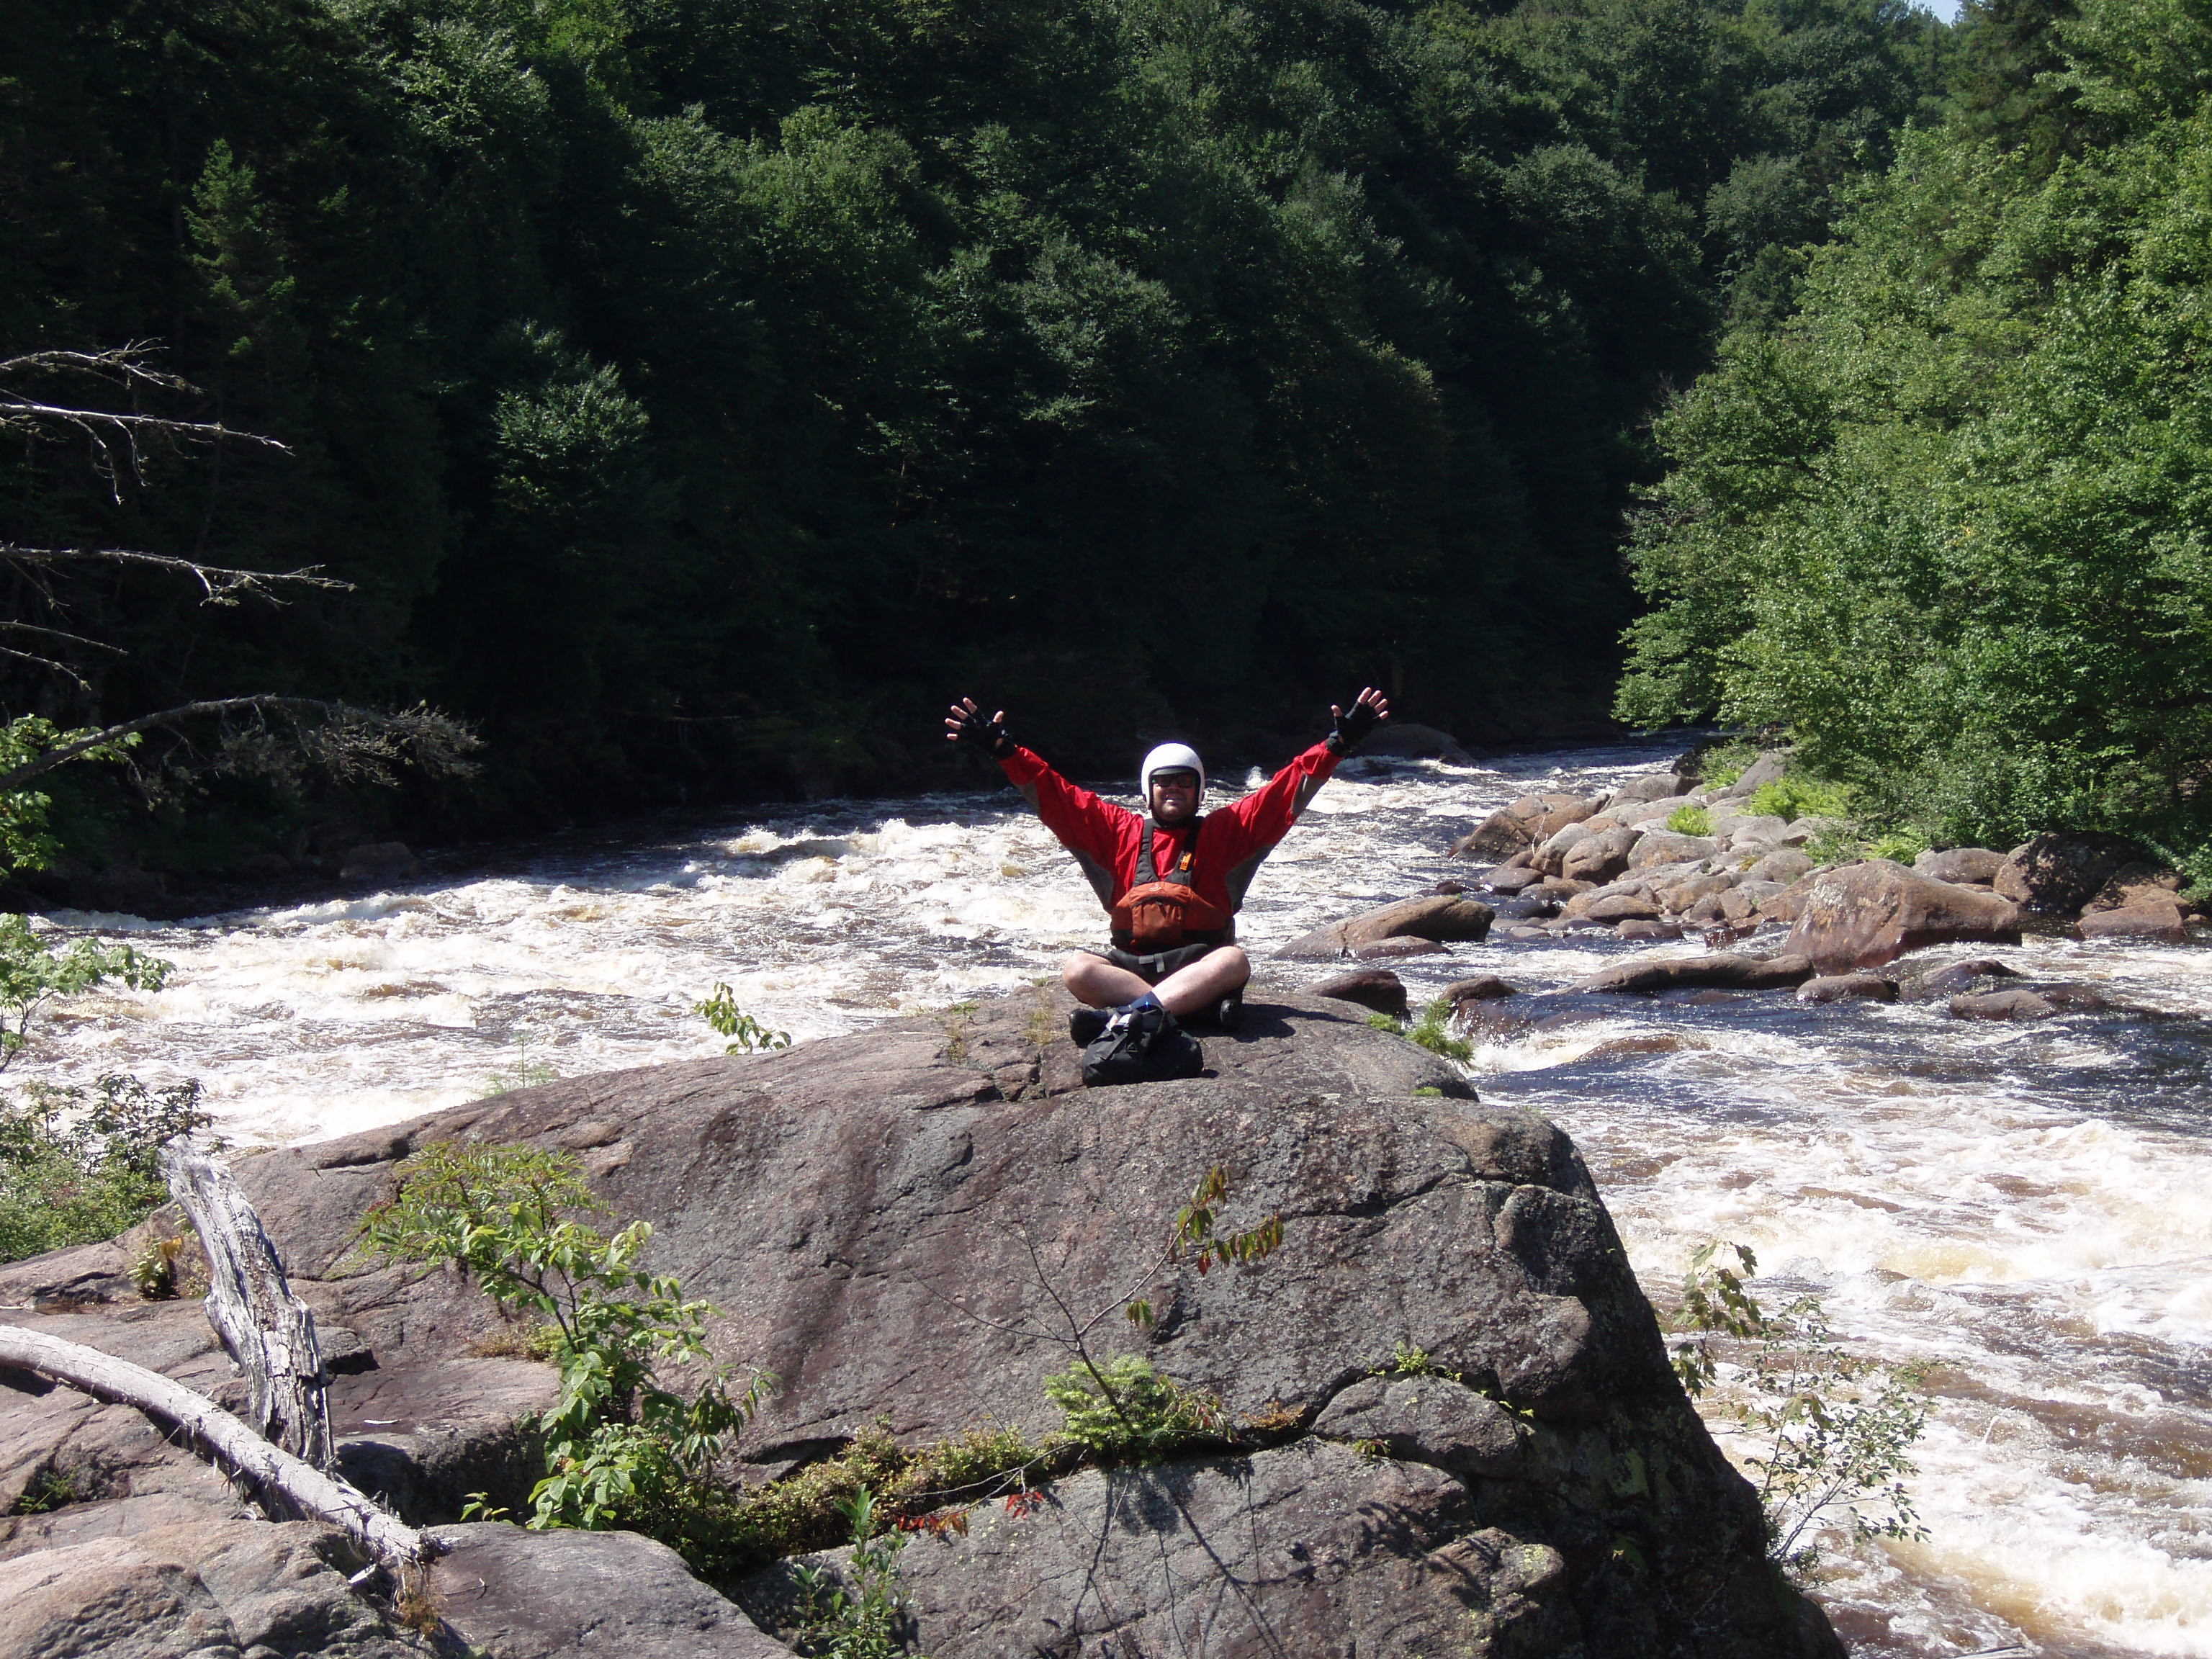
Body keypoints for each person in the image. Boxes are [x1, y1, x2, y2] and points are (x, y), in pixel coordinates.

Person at [943, 688, 1390, 1082]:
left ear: (1199, 792)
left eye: (1184, 783)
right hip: (1131, 970)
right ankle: (1164, 1013)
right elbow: (1055, 793)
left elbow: (1285, 790)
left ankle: (1125, 1019)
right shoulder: (1114, 830)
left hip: (1200, 970)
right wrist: (1004, 750)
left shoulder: (1227, 830)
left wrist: (1339, 744)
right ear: (1148, 790)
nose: (1173, 790)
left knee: (1233, 961)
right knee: (1077, 969)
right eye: (1163, 784)